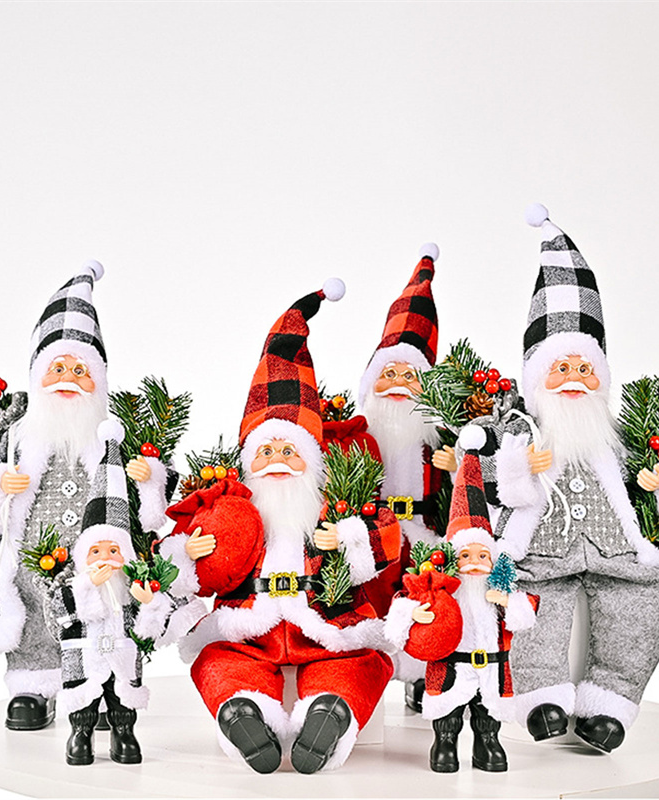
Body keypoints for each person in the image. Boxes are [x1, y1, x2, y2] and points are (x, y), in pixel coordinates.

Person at [159, 280, 401, 774]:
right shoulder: (232, 504)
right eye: (265, 451)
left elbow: (387, 533)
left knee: (360, 662)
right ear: (247, 460)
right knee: (217, 660)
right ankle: (242, 712)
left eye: (290, 450)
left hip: (327, 623)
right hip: (248, 624)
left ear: (312, 461)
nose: (277, 460)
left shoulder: (334, 503)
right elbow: (181, 551)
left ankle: (329, 713)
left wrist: (350, 536)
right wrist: (190, 551)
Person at [492, 205, 659, 752]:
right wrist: (520, 466)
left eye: (585, 369)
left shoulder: (620, 433)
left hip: (618, 555)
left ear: (601, 377)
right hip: (542, 557)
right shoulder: (519, 428)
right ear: (536, 378)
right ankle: (541, 697)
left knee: (641, 610)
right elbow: (487, 472)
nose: (575, 379)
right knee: (532, 609)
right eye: (561, 369)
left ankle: (612, 700)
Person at [0, 262, 170, 730]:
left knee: (101, 616)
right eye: (57, 368)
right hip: (30, 557)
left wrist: (149, 478)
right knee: (30, 618)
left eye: (81, 370)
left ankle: (102, 688)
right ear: (37, 373)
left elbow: (148, 512)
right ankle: (33, 687)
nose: (68, 378)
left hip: (97, 559)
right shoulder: (18, 436)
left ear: (99, 380)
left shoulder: (110, 435)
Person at [386, 431, 537, 773]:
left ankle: (487, 746)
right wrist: (414, 613)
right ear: (453, 557)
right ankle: (445, 744)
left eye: (482, 555)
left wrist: (508, 603)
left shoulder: (499, 587)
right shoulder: (441, 587)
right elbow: (401, 604)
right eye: (466, 555)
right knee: (448, 715)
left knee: (487, 715)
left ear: (493, 557)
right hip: (450, 665)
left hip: (492, 667)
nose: (474, 562)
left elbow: (527, 612)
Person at [357, 244, 455, 710]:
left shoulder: (439, 439)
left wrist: (455, 467)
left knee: (427, 603)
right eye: (388, 373)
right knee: (372, 602)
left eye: (409, 376)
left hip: (425, 535)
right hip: (376, 536)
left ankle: (423, 673)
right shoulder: (359, 437)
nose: (397, 382)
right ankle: (368, 675)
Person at [52, 419, 174, 765]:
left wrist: (150, 604)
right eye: (96, 551)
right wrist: (86, 586)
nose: (105, 557)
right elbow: (59, 619)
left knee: (122, 701)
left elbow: (149, 634)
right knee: (84, 702)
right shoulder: (72, 585)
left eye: (113, 550)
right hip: (83, 656)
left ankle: (124, 734)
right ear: (82, 557)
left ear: (126, 556)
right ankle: (81, 735)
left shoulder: (131, 588)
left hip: (123, 656)